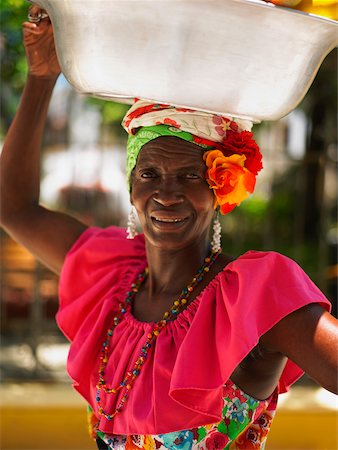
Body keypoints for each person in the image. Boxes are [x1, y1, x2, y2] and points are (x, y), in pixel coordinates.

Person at [0, 5, 337, 450]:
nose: (166, 193)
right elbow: (14, 208)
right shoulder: (113, 276)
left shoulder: (252, 295)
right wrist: (42, 78)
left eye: (190, 176)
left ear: (221, 186)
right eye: (149, 175)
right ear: (130, 184)